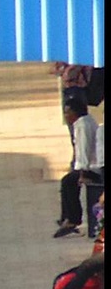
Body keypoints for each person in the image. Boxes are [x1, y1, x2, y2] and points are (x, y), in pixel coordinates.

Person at [55, 98, 101, 238]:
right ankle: (67, 216)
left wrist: (82, 172)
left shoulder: (82, 126)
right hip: (92, 165)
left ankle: (73, 218)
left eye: (68, 112)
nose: (66, 116)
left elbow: (83, 150)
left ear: (75, 113)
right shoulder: (86, 121)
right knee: (69, 181)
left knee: (68, 182)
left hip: (93, 168)